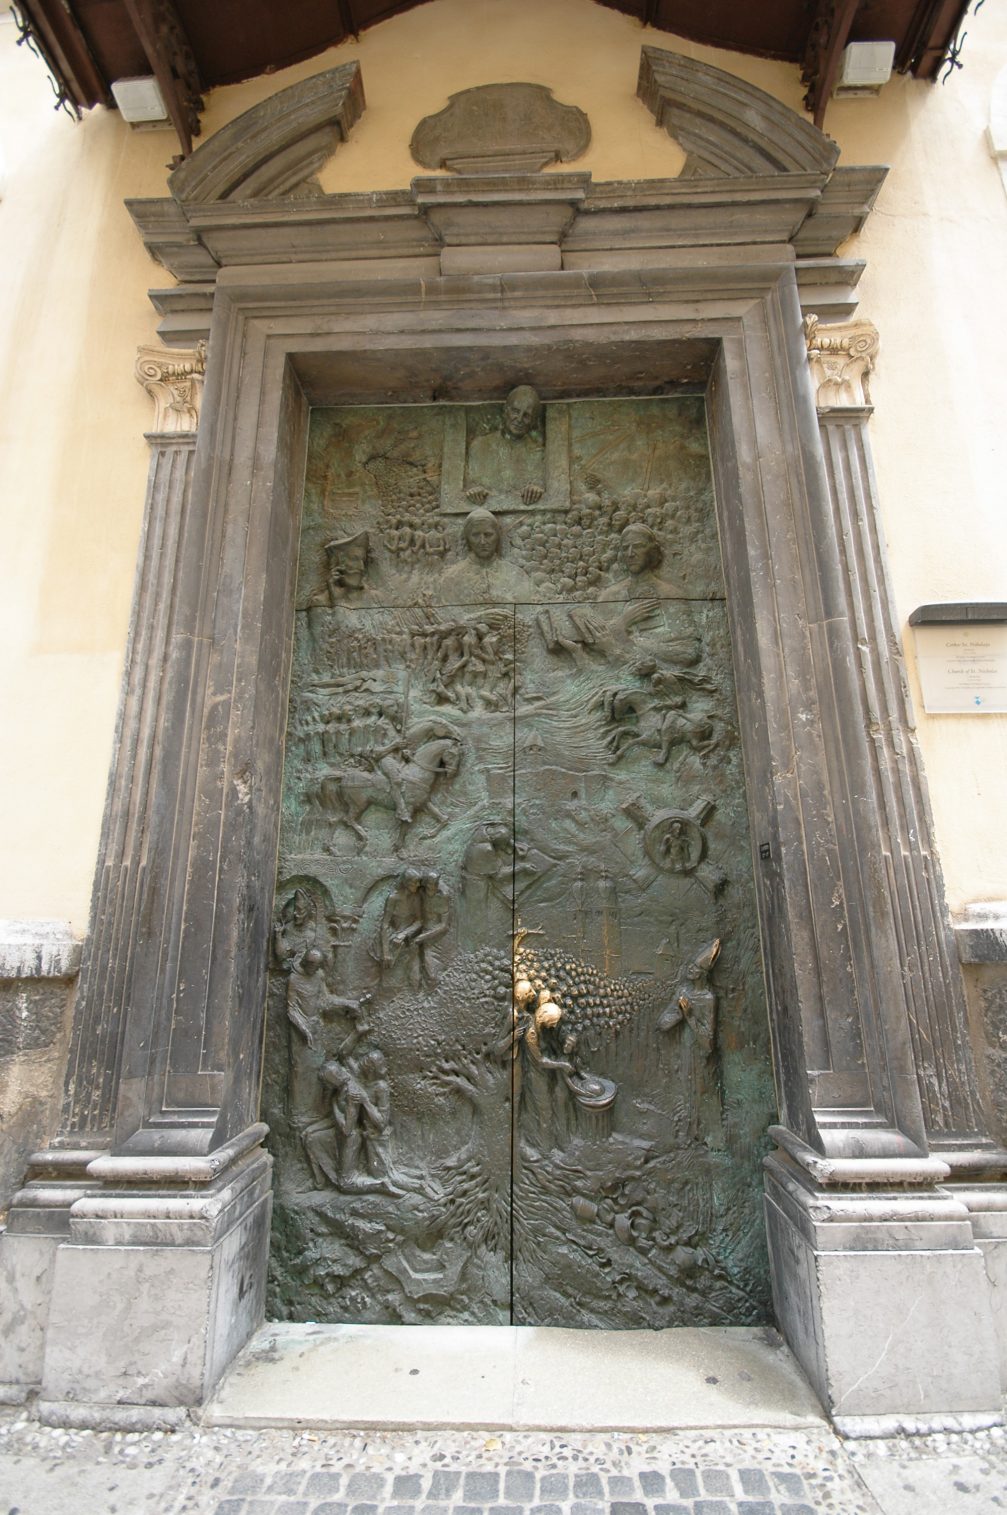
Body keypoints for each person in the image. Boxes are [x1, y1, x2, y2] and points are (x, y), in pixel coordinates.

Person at [465, 385, 546, 510]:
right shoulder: (479, 445)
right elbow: (469, 485)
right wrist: (473, 491)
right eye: (515, 411)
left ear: (533, 421)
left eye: (526, 416)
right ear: (505, 411)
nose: (519, 419)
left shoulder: (538, 453)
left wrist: (536, 489)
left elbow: (542, 487)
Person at [439, 508, 540, 603]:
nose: (482, 542)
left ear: (497, 536)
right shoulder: (452, 578)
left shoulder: (517, 576)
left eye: (488, 535)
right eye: (475, 535)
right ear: (467, 538)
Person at [599, 522, 685, 601]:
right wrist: (624, 618)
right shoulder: (609, 596)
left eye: (637, 546)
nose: (630, 554)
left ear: (652, 551)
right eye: (625, 548)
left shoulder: (670, 594)